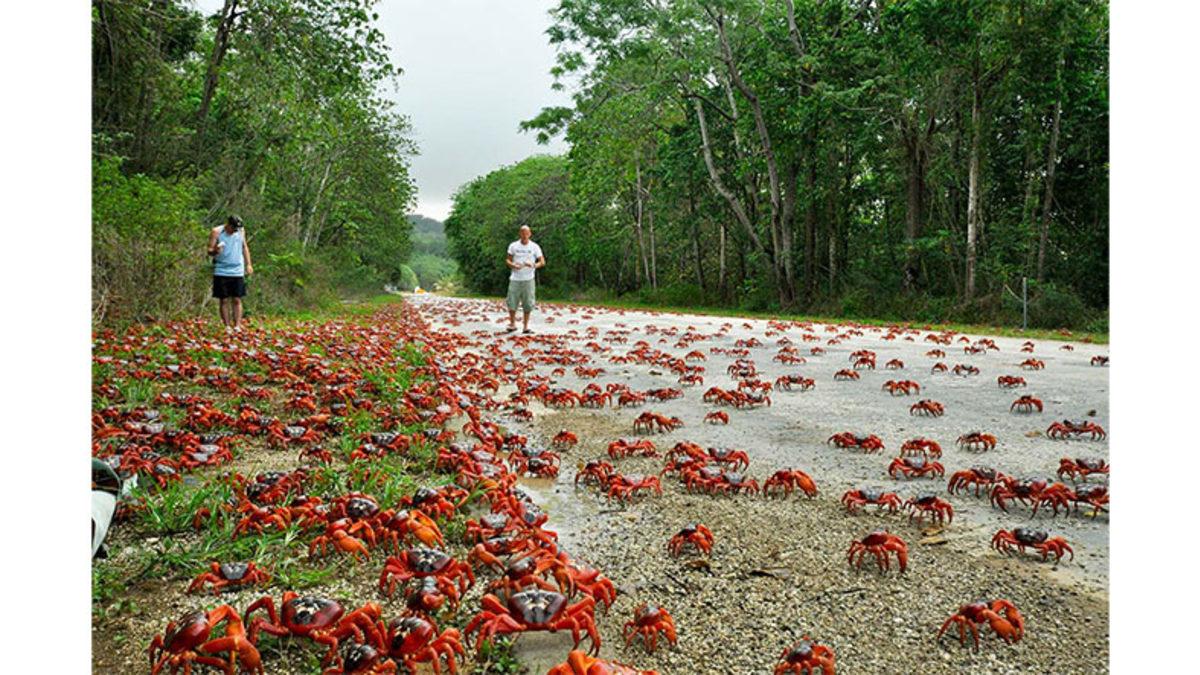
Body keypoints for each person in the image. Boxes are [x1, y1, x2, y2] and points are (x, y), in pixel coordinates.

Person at [207, 215, 253, 332]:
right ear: (228, 225)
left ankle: (237, 325)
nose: (235, 231)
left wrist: (248, 264)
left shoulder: (240, 231)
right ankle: (227, 325)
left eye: (237, 229)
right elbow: (209, 250)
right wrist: (216, 250)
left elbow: (244, 247)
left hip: (237, 269)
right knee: (224, 299)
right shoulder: (217, 232)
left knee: (237, 298)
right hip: (222, 269)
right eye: (233, 228)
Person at [504, 225, 544, 333]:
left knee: (528, 302)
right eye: (522, 233)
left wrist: (533, 265)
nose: (524, 235)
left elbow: (542, 262)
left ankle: (525, 326)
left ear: (530, 234)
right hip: (515, 277)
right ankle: (512, 323)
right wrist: (513, 265)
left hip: (529, 278)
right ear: (519, 234)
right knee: (512, 301)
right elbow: (507, 260)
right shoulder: (513, 246)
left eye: (526, 233)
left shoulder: (534, 247)